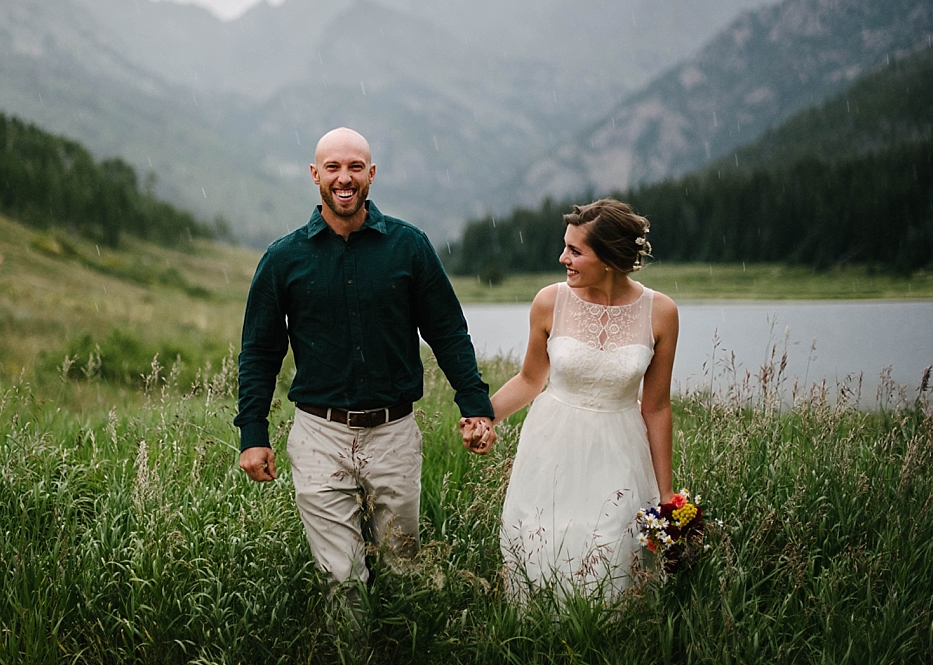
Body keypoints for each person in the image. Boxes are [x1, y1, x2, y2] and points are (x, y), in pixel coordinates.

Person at [235, 127, 496, 603]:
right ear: (315, 175)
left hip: (393, 433)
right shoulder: (283, 258)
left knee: (401, 568)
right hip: (318, 434)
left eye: (355, 167)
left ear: (371, 174)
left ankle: (400, 645)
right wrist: (252, 433)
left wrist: (475, 405)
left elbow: (448, 332)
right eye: (333, 167)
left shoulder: (409, 247)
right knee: (344, 577)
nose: (344, 178)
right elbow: (259, 352)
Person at [478, 198, 678, 601]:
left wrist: (667, 497)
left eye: (575, 250)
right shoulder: (549, 301)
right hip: (551, 446)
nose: (562, 257)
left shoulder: (661, 313)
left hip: (621, 452)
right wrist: (483, 418)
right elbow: (531, 379)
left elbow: (655, 407)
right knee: (545, 547)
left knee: (613, 554)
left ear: (608, 257)